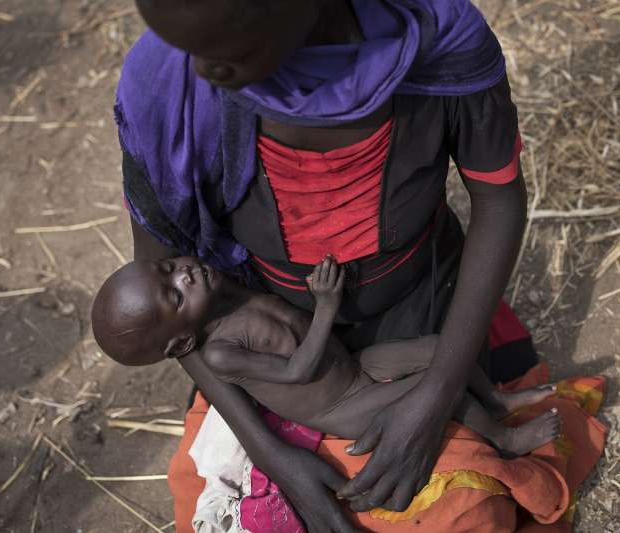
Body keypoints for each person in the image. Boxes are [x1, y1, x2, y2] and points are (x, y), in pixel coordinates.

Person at [115, 0, 530, 529]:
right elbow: (164, 299)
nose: (197, 70)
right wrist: (272, 456)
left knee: (466, 511)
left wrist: (436, 394)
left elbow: (499, 202)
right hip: (271, 348)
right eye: (184, 44)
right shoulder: (165, 81)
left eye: (222, 47)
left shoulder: (435, 39)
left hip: (421, 310)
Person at [92, 255, 560, 456]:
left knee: (441, 350)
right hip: (343, 406)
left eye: (169, 268)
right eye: (175, 296)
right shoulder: (219, 355)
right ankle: (504, 440)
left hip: (355, 367)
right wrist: (328, 305)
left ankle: (497, 402)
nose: (185, 275)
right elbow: (298, 369)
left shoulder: (223, 293)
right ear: (181, 345)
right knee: (436, 389)